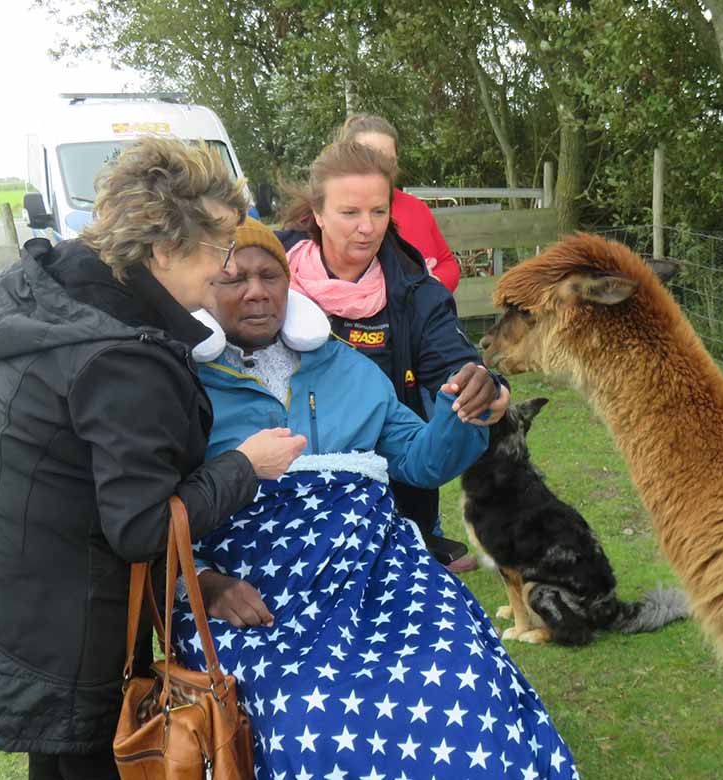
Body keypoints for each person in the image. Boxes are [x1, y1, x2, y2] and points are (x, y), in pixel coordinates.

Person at [177, 218, 578, 780]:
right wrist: (203, 582)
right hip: (255, 593)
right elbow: (154, 512)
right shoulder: (180, 384)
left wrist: (462, 410)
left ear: (290, 285)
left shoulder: (349, 369)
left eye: (270, 273)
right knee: (308, 723)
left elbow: (421, 460)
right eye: (233, 277)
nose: (255, 290)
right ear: (202, 291)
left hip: (379, 573)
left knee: (464, 677)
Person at [0, 138, 304, 780]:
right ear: (163, 248)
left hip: (25, 593)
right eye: (218, 249)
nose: (225, 269)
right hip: (77, 628)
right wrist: (246, 465)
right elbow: (140, 528)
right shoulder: (122, 358)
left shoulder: (48, 288)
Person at [279, 139, 507, 573]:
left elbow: (456, 363)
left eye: (379, 212)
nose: (367, 227)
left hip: (392, 509)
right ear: (318, 214)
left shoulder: (417, 292)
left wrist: (484, 388)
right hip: (285, 513)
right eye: (350, 213)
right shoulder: (267, 279)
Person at [341, 113, 461, 292]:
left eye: (389, 161)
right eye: (370, 159)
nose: (382, 169)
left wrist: (432, 285)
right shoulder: (332, 211)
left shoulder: (416, 207)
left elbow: (448, 264)